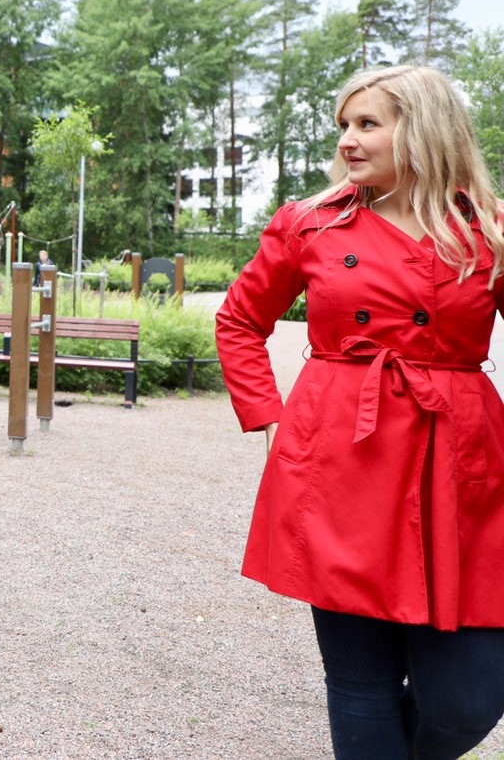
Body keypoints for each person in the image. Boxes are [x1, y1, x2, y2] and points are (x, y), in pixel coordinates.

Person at [215, 64, 504, 759]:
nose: (348, 140)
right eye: (344, 125)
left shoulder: (488, 232)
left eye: (367, 123)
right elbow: (238, 321)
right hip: (341, 457)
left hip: (458, 463)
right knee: (360, 679)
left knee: (468, 700)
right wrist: (272, 419)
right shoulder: (309, 224)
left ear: (425, 129)